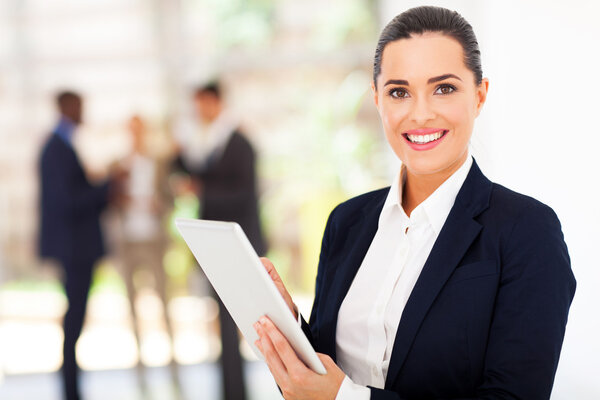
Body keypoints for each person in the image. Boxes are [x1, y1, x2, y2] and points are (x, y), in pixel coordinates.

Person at [253, 6, 576, 400]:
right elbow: (326, 376)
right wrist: (289, 330)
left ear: (479, 95)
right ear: (377, 99)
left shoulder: (526, 231)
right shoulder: (347, 222)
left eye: (444, 88)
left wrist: (345, 399)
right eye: (399, 92)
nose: (420, 114)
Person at [173, 81, 266, 400]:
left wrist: (200, 190)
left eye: (204, 104)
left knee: (249, 320)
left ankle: (236, 389)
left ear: (217, 103)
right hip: (216, 243)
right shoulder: (206, 142)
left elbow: (243, 192)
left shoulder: (239, 142)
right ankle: (230, 389)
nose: (199, 112)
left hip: (239, 242)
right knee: (224, 321)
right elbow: (199, 172)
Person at [38, 91, 117, 400]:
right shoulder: (56, 148)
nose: (84, 111)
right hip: (73, 248)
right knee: (74, 317)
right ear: (67, 108)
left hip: (77, 246)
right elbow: (67, 202)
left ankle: (71, 386)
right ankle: (70, 389)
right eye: (80, 106)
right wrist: (106, 186)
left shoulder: (64, 145)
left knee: (76, 316)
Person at [116, 115, 177, 389]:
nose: (136, 135)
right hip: (128, 242)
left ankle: (172, 361)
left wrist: (158, 204)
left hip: (154, 240)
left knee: (164, 300)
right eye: (132, 130)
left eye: (140, 129)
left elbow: (171, 199)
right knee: (132, 303)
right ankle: (139, 363)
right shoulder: (118, 165)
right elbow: (108, 199)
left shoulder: (158, 163)